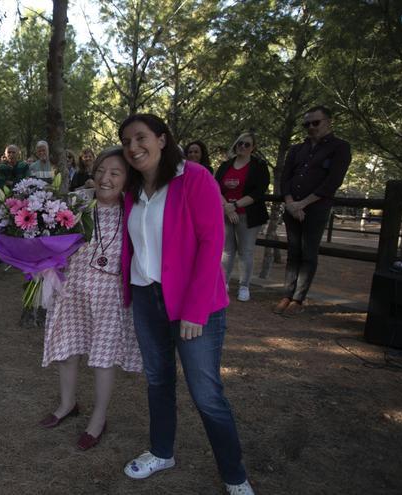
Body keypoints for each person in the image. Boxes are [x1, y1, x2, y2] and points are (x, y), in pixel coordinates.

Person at [118, 114, 254, 494]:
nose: (133, 147)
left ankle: (234, 475)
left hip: (195, 305)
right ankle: (162, 452)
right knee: (158, 380)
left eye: (141, 137)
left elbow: (213, 244)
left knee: (207, 394)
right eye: (126, 141)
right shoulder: (133, 188)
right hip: (146, 298)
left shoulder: (193, 176)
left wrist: (194, 311)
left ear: (162, 139)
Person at [40, 146, 142, 451]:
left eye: (115, 172)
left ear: (127, 179)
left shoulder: (135, 211)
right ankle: (68, 404)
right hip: (71, 288)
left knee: (103, 356)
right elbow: (52, 241)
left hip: (110, 295)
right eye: (100, 171)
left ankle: (98, 418)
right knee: (67, 348)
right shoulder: (77, 204)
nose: (105, 178)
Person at [276, 105, 352, 315]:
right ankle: (286, 294)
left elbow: (333, 181)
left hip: (316, 207)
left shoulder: (340, 147)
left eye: (315, 122)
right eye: (306, 124)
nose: (311, 127)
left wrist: (303, 204)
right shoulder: (296, 149)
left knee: (308, 252)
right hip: (293, 208)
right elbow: (286, 178)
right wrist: (291, 202)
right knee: (293, 252)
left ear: (328, 121)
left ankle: (298, 298)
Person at [214, 133, 271, 302]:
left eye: (247, 144)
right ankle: (223, 283)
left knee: (245, 251)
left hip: (248, 215)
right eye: (240, 143)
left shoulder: (259, 166)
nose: (242, 147)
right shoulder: (225, 165)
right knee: (226, 251)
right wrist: (227, 208)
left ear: (253, 147)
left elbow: (258, 191)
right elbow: (215, 187)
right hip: (226, 214)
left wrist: (236, 205)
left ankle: (244, 286)